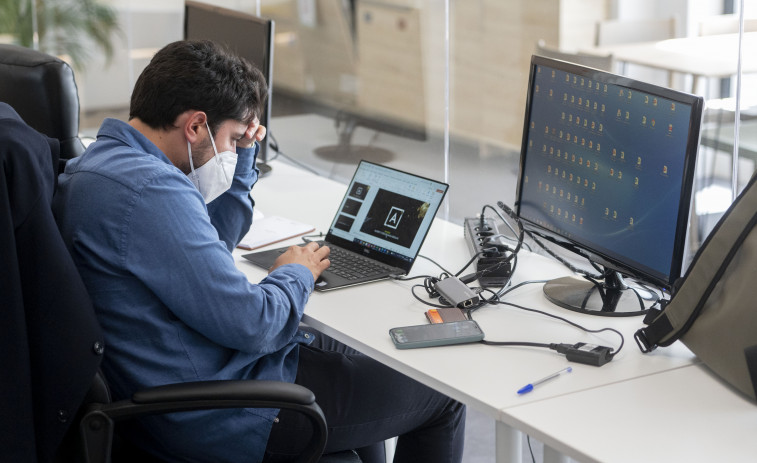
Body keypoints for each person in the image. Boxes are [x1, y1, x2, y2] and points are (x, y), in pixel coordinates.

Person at [53, 40, 465, 463]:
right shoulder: (150, 191)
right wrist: (296, 271)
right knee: (443, 394)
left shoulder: (100, 167)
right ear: (195, 126)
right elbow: (254, 324)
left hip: (175, 387)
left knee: (360, 375)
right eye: (232, 139)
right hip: (220, 412)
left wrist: (244, 154)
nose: (232, 152)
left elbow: (215, 241)